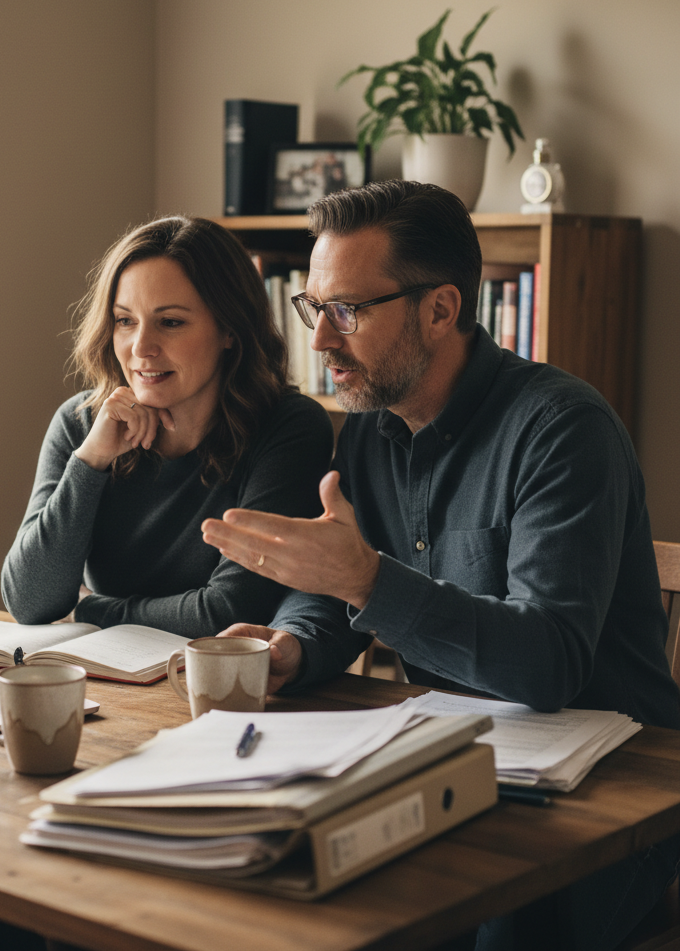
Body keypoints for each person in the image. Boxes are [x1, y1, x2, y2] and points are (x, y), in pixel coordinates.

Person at [201, 180, 680, 950]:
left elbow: (550, 662)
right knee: (281, 886)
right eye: (312, 309)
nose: (320, 340)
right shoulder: (368, 430)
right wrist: (293, 643)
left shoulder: (562, 430)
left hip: (616, 793)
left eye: (346, 311)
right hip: (461, 762)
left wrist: (365, 579)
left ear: (442, 309)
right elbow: (339, 590)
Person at [1, 215, 334, 639]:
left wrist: (92, 610)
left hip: (229, 687)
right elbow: (29, 602)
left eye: (170, 322)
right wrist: (91, 461)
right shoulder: (80, 423)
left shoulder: (288, 428)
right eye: (125, 320)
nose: (141, 348)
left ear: (230, 329)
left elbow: (231, 612)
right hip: (106, 679)